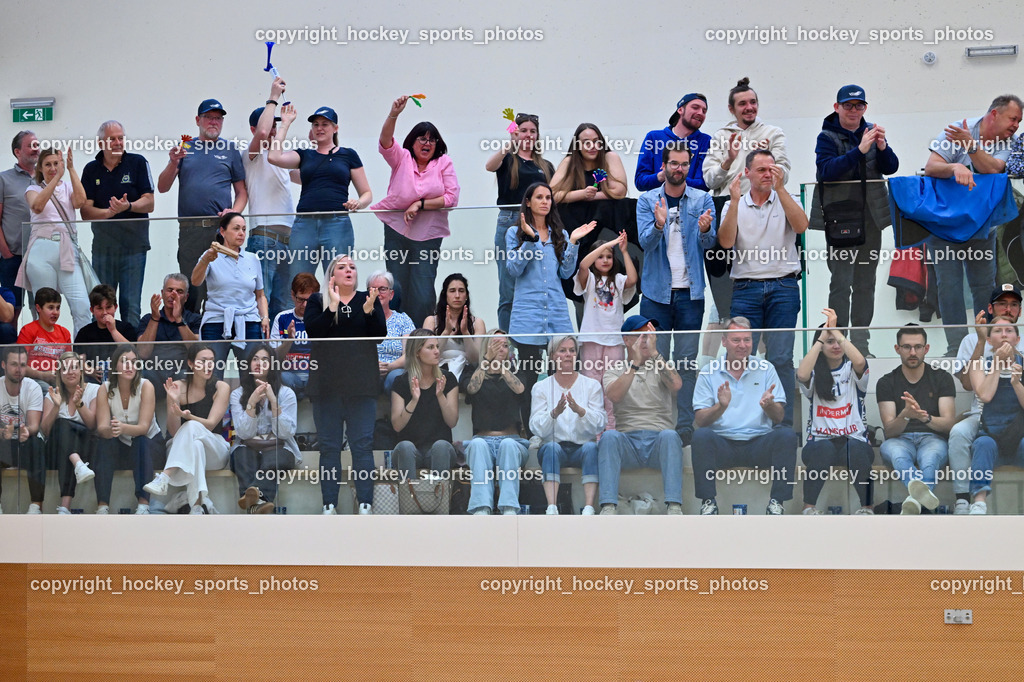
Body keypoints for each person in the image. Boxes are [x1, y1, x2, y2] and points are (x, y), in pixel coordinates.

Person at [923, 94, 1023, 356]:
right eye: (1013, 119)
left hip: (982, 227)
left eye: (1019, 121)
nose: (1016, 125)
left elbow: (995, 168)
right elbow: (931, 167)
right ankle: (956, 348)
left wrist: (971, 148)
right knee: (950, 287)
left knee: (984, 287)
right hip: (944, 227)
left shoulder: (1008, 142)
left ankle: (987, 345)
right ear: (994, 114)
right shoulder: (957, 128)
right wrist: (955, 166)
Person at [720, 149, 808, 428]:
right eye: (761, 170)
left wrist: (781, 190)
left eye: (772, 169)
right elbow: (725, 242)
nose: (769, 174)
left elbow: (802, 226)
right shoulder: (734, 203)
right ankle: (739, 421)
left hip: (783, 285)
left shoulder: (787, 197)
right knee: (739, 357)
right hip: (745, 287)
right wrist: (734, 202)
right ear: (746, 173)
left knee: (781, 357)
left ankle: (783, 426)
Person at [809, 85, 899, 357]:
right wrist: (859, 150)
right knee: (840, 283)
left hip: (870, 219)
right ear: (836, 107)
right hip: (841, 220)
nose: (853, 110)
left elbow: (891, 167)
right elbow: (826, 171)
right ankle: (837, 343)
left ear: (865, 108)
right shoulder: (826, 136)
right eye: (848, 105)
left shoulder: (872, 132)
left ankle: (861, 345)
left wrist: (882, 147)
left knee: (865, 283)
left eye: (858, 105)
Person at [636, 142, 716, 442]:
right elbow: (645, 243)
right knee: (654, 360)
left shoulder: (702, 199)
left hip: (690, 295)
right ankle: (657, 422)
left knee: (685, 363)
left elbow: (709, 246)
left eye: (684, 164)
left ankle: (684, 426)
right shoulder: (646, 201)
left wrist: (707, 230)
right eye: (674, 164)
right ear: (664, 166)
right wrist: (658, 224)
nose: (679, 169)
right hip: (656, 294)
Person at [304, 255, 386, 515]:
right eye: (342, 267)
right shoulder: (318, 300)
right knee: (329, 447)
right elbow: (314, 333)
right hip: (327, 386)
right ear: (332, 275)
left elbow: (379, 336)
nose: (349, 270)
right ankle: (329, 505)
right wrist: (333, 308)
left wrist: (371, 311)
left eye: (352, 267)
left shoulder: (367, 299)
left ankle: (365, 504)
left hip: (361, 386)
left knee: (362, 445)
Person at [506, 182, 594, 422]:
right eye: (540, 197)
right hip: (528, 317)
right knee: (528, 377)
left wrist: (573, 242)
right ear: (528, 202)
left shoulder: (560, 234)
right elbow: (513, 269)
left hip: (556, 313)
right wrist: (530, 239)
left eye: (548, 198)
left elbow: (566, 273)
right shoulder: (514, 233)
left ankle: (561, 427)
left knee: (560, 375)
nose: (545, 202)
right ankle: (531, 428)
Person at [691, 317, 796, 515]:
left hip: (759, 444)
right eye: (736, 340)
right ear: (724, 342)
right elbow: (700, 420)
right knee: (700, 437)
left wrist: (769, 405)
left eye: (747, 340)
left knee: (787, 435)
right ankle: (708, 503)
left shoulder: (766, 369)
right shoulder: (708, 371)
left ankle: (777, 503)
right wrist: (720, 407)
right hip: (723, 444)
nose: (743, 345)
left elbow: (779, 417)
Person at [370, 95, 460, 326]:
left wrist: (420, 204)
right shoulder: (402, 158)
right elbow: (385, 142)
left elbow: (451, 197)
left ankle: (420, 340)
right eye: (422, 138)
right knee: (396, 289)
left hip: (428, 235)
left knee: (422, 292)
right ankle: (396, 339)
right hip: (396, 231)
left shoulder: (444, 163)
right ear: (412, 141)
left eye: (432, 140)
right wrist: (394, 114)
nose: (427, 143)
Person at [157, 98, 247, 313]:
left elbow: (242, 193)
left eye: (218, 118)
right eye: (209, 117)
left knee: (221, 287)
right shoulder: (185, 148)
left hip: (220, 232)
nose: (214, 122)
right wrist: (172, 163)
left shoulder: (230, 149)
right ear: (198, 120)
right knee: (192, 289)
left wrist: (234, 213)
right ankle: (192, 341)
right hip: (190, 230)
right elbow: (162, 187)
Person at [269, 102, 372, 280]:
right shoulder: (305, 155)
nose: (319, 128)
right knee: (300, 280)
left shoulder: (348, 155)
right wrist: (285, 124)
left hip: (336, 222)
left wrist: (359, 203)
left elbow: (367, 193)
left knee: (337, 280)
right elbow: (274, 157)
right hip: (305, 224)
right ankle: (305, 309)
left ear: (335, 128)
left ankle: (335, 309)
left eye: (325, 124)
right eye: (315, 124)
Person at [597, 316, 684, 515]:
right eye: (640, 335)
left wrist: (654, 354)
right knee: (609, 436)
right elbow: (615, 396)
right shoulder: (615, 370)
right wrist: (634, 365)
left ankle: (674, 506)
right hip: (627, 440)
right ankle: (608, 506)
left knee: (671, 436)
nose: (645, 339)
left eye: (649, 334)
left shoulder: (661, 365)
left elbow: (676, 385)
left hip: (658, 441)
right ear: (626, 340)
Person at [949, 284, 1024, 513]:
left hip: (1018, 425)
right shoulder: (977, 345)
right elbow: (983, 394)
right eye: (1002, 304)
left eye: (1013, 305)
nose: (1008, 309)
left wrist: (1015, 381)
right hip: (985, 419)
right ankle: (970, 501)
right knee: (971, 438)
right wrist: (994, 359)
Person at [796, 309, 873, 515]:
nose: (836, 345)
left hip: (854, 441)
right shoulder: (813, 371)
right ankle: (809, 509)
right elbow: (801, 373)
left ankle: (867, 509)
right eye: (829, 342)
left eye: (838, 340)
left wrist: (836, 331)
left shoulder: (852, 369)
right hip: (819, 443)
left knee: (856, 450)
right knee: (824, 450)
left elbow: (860, 362)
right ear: (821, 345)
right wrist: (822, 336)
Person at [80, 120, 155, 328]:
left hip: (134, 248)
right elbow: (85, 211)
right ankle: (106, 355)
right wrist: (109, 212)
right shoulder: (91, 169)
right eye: (112, 139)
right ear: (100, 143)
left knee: (130, 305)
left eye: (120, 138)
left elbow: (149, 202)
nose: (117, 142)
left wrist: (127, 206)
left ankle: (129, 355)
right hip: (104, 249)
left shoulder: (138, 162)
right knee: (103, 304)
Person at [484, 112, 555, 331]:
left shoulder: (545, 165)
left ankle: (532, 341)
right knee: (508, 289)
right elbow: (489, 166)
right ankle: (507, 347)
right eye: (523, 130)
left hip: (538, 224)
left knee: (537, 284)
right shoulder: (508, 160)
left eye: (532, 131)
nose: (528, 135)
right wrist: (509, 144)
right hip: (509, 221)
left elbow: (554, 196)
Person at [876, 324, 956, 514]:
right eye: (907, 347)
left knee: (931, 457)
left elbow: (948, 425)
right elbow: (889, 431)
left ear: (926, 349)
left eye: (918, 347)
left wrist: (925, 418)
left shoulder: (942, 378)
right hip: (899, 440)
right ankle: (920, 501)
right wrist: (905, 416)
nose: (913, 352)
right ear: (898, 349)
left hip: (933, 439)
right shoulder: (886, 382)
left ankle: (914, 501)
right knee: (896, 452)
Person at [143, 344, 231, 514]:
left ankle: (165, 476)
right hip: (181, 448)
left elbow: (211, 423)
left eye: (211, 361)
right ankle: (197, 505)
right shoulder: (177, 387)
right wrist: (174, 402)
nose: (208, 366)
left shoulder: (221, 387)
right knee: (195, 445)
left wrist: (189, 417)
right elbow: (175, 431)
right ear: (190, 364)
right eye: (203, 361)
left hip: (215, 448)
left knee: (192, 427)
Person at [245, 77, 302, 319]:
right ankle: (259, 354)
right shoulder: (252, 155)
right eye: (271, 125)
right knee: (262, 299)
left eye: (277, 125)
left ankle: (277, 353)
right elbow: (263, 131)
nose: (274, 130)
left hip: (288, 241)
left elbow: (311, 175)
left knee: (282, 304)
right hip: (264, 238)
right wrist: (273, 97)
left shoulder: (283, 158)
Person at [529, 335, 606, 515]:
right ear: (552, 356)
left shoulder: (591, 385)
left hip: (582, 447)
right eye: (562, 351)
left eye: (572, 351)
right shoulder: (541, 387)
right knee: (551, 449)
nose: (568, 355)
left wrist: (581, 411)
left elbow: (600, 423)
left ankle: (588, 507)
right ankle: (552, 506)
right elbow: (535, 426)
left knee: (590, 449)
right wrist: (553, 414)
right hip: (554, 447)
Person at [19, 148, 90, 333]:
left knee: (82, 304)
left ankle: (82, 355)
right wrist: (55, 179)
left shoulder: (67, 186)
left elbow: (80, 201)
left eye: (56, 164)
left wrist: (72, 169)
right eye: (48, 164)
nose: (53, 168)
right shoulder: (33, 188)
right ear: (40, 168)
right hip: (41, 250)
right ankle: (46, 354)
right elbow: (37, 205)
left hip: (67, 249)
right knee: (45, 309)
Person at [192, 212, 269, 378]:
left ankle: (249, 404)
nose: (241, 233)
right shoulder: (211, 255)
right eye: (236, 229)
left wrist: (265, 317)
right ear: (223, 231)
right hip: (217, 320)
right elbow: (195, 281)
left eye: (243, 229)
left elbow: (260, 295)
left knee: (253, 374)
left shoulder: (252, 258)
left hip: (248, 320)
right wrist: (206, 260)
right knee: (211, 375)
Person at [574, 232, 637, 431]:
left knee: (611, 388)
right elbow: (583, 265)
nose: (605, 260)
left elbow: (633, 280)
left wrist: (624, 251)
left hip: (614, 341)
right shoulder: (589, 279)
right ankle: (592, 431)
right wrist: (608, 244)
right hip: (592, 340)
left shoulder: (618, 280)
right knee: (592, 387)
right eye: (600, 256)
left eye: (609, 256)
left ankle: (610, 431)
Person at [88, 345, 161, 515]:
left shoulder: (146, 386)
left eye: (134, 362)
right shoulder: (104, 389)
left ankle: (143, 505)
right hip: (122, 446)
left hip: (150, 446)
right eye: (124, 362)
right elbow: (102, 427)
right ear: (115, 366)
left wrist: (120, 428)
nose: (130, 366)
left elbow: (143, 428)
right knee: (104, 443)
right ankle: (102, 506)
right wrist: (111, 431)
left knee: (140, 440)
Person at [463, 330, 530, 515]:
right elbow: (472, 388)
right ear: (486, 346)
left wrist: (501, 367)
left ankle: (509, 508)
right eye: (496, 344)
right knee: (476, 445)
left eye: (505, 345)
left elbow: (520, 390)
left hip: (513, 440)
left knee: (508, 445)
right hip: (482, 440)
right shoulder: (473, 370)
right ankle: (481, 508)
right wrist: (486, 362)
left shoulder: (515, 371)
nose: (502, 348)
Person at [230, 343, 300, 514]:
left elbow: (286, 433)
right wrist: (252, 403)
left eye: (264, 360)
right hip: (247, 447)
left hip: (281, 448)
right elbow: (244, 433)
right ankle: (260, 505)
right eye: (254, 359)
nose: (258, 363)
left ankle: (253, 500)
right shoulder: (237, 395)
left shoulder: (286, 394)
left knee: (272, 460)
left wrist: (274, 403)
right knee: (241, 456)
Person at [966, 316, 1024, 515]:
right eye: (998, 331)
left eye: (1009, 331)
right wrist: (998, 365)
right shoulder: (980, 364)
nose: (1004, 335)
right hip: (992, 436)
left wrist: (1017, 384)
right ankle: (979, 502)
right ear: (989, 340)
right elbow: (985, 395)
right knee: (982, 444)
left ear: (1017, 338)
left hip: (1019, 437)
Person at [390, 329, 459, 483]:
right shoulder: (401, 382)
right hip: (410, 452)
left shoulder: (448, 379)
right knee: (405, 447)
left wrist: (440, 395)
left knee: (441, 446)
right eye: (430, 347)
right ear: (416, 352)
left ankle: (439, 504)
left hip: (440, 451)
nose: (437, 351)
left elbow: (452, 422)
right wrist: (414, 400)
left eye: (437, 347)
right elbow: (397, 426)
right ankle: (409, 503)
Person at [41, 351, 99, 514]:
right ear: (59, 372)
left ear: (81, 370)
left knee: (66, 438)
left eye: (74, 367)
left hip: (86, 445)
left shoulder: (93, 389)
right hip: (58, 447)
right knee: (60, 425)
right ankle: (77, 463)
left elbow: (93, 425)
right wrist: (56, 407)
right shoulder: (53, 394)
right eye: (65, 368)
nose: (70, 371)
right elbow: (45, 430)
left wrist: (79, 403)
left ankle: (65, 506)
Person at [136, 273, 201, 396]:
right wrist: (155, 319)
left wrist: (179, 320)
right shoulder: (148, 319)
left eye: (179, 291)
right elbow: (143, 353)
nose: (173, 294)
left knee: (188, 375)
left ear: (186, 297)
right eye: (170, 290)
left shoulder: (194, 319)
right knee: (143, 376)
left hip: (181, 371)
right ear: (162, 293)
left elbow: (196, 351)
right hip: (154, 372)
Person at [635, 93, 711, 192]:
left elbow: (704, 184)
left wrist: (674, 176)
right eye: (695, 107)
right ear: (680, 110)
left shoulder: (706, 141)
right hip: (657, 204)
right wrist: (662, 175)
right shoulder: (653, 137)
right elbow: (640, 182)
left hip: (692, 205)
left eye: (704, 111)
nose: (700, 113)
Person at [0, 346, 45, 514]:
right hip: (3, 445)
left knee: (36, 443)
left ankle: (36, 506)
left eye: (22, 365)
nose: (19, 369)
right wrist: (3, 433)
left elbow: (34, 425)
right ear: (4, 365)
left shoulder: (33, 387)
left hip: (23, 445)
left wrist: (26, 431)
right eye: (14, 364)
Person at [0, 131, 40, 317]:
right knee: (12, 312)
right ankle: (13, 347)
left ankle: (37, 347)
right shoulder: (3, 179)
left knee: (41, 309)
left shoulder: (46, 179)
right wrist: (6, 253)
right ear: (17, 151)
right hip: (13, 257)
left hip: (41, 256)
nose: (36, 149)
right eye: (30, 145)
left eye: (37, 145)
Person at [422, 273, 487, 381]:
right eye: (452, 291)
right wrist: (446, 332)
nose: (457, 295)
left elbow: (475, 359)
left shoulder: (478, 323)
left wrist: (465, 333)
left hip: (467, 371)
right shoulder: (431, 321)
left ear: (466, 295)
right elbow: (428, 356)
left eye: (461, 291)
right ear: (445, 295)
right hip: (436, 368)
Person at [73, 284, 138, 383]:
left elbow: (132, 353)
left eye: (108, 307)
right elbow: (79, 359)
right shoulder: (84, 332)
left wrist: (113, 330)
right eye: (99, 308)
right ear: (92, 310)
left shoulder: (126, 328)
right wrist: (91, 371)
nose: (104, 312)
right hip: (94, 379)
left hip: (122, 377)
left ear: (115, 307)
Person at [270, 272, 319, 399]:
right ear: (292, 295)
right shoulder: (282, 318)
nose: (305, 305)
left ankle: (304, 394)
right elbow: (273, 358)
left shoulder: (322, 317)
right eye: (301, 299)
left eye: (310, 300)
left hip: (315, 376)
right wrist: (289, 341)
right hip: (289, 376)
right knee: (275, 375)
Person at [551, 123, 628, 204]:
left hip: (605, 212)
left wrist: (593, 196)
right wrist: (582, 194)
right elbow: (552, 195)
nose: (592, 146)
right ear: (577, 146)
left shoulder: (610, 157)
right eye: (586, 142)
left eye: (595, 141)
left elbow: (620, 191)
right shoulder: (569, 162)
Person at [366, 269, 414, 391]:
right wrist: (371, 366)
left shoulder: (403, 319)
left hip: (396, 369)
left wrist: (390, 367)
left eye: (382, 289)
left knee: (396, 379)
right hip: (367, 369)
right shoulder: (360, 318)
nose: (378, 293)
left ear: (391, 294)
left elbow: (409, 354)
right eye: (373, 289)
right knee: (366, 378)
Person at [17, 287, 71, 388]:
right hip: (34, 379)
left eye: (58, 308)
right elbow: (19, 364)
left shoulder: (65, 333)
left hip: (59, 380)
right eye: (50, 308)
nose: (55, 312)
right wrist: (42, 375)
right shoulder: (28, 330)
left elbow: (69, 362)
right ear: (38, 308)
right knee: (48, 391)